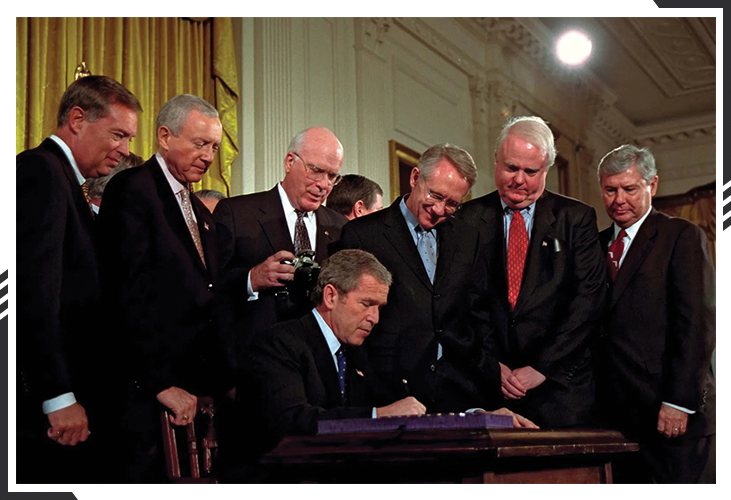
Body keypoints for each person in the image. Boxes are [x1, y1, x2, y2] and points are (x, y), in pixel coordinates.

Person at [225, 249, 534, 482]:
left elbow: (408, 409)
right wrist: (377, 416)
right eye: (366, 304)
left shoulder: (356, 354)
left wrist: (477, 419)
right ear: (331, 296)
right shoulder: (280, 343)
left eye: (379, 308)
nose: (374, 319)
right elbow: (292, 422)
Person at [97, 94, 232, 482]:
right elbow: (125, 295)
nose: (208, 156)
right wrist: (159, 383)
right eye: (199, 143)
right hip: (146, 395)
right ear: (164, 136)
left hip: (195, 392)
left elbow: (209, 291)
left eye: (215, 147)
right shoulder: (132, 189)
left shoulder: (197, 208)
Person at [16, 75, 141, 483]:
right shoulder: (42, 172)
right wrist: (57, 396)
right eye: (118, 135)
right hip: (49, 409)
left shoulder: (66, 181)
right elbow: (33, 293)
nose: (125, 151)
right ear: (77, 119)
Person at [457, 116, 606, 428]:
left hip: (560, 391)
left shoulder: (575, 219)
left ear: (546, 170)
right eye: (511, 168)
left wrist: (542, 367)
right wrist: (491, 366)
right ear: (496, 160)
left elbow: (587, 302)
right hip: (490, 390)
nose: (519, 180)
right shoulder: (468, 219)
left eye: (531, 171)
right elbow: (462, 304)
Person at [339, 143, 503, 414]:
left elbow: (476, 313)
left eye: (452, 204)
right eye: (435, 195)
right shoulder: (362, 235)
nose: (440, 210)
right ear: (415, 178)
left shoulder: (467, 238)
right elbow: (349, 318)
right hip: (388, 390)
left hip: (456, 390)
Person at [595, 144, 715, 483]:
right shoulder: (594, 243)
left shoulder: (682, 236)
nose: (619, 199)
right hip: (616, 420)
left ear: (653, 186)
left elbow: (697, 324)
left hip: (676, 420)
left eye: (630, 189)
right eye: (610, 189)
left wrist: (678, 402)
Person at [214, 127, 348, 371]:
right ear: (290, 162)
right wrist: (252, 279)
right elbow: (210, 287)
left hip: (318, 370)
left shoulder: (340, 229)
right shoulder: (237, 213)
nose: (323, 185)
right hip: (253, 365)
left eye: (332, 176)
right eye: (316, 171)